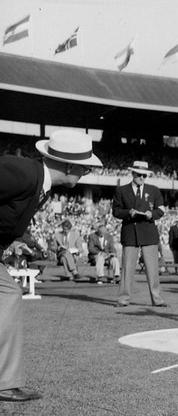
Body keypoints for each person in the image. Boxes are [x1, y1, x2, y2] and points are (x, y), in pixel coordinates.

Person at [0, 129, 103, 401]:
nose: (86, 173)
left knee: (8, 295)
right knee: (7, 295)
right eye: (84, 167)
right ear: (69, 165)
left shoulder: (39, 183)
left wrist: (13, 240)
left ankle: (5, 382)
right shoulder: (23, 172)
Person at [112, 161, 168, 307]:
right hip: (130, 233)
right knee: (127, 270)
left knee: (152, 270)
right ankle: (123, 299)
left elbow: (161, 210)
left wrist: (152, 214)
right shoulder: (121, 190)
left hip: (148, 232)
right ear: (133, 174)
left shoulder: (154, 190)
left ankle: (157, 299)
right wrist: (128, 213)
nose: (142, 177)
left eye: (144, 175)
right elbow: (116, 211)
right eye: (139, 175)